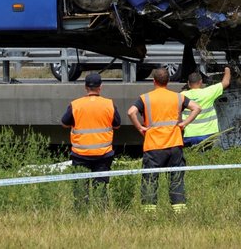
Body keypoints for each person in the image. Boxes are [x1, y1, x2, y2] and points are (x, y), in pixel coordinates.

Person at [128, 67, 201, 213]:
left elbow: (131, 112)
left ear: (154, 81)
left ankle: (149, 212)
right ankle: (179, 211)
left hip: (153, 145)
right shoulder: (178, 97)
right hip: (174, 144)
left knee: (150, 179)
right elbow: (196, 108)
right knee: (176, 179)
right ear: (167, 81)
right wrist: (184, 123)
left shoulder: (145, 98)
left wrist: (140, 128)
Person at [61, 72, 121, 205]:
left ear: (85, 87)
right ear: (100, 87)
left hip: (80, 155)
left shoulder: (75, 105)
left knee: (80, 190)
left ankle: (81, 215)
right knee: (101, 189)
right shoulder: (109, 104)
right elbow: (117, 125)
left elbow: (64, 123)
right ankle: (101, 214)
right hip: (103, 155)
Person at [182, 67, 232, 148]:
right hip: (208, 134)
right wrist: (227, 69)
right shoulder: (208, 92)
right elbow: (226, 82)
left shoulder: (182, 96)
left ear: (188, 83)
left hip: (189, 135)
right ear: (201, 82)